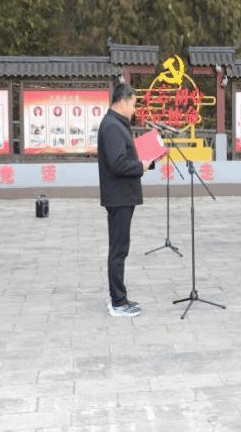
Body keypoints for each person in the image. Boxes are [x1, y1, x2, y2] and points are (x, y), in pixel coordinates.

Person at [97, 84, 151, 317]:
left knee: (120, 248)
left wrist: (146, 160)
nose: (134, 110)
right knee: (118, 250)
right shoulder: (112, 126)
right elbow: (118, 164)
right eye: (133, 104)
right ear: (122, 101)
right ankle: (118, 302)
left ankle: (119, 297)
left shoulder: (117, 124)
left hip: (122, 195)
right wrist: (140, 166)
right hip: (119, 196)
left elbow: (124, 156)